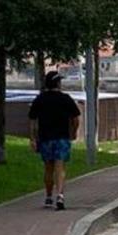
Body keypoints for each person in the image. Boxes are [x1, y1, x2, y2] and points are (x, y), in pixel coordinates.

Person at [28, 70, 81, 211]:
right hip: (62, 138)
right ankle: (60, 195)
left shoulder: (40, 99)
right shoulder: (65, 99)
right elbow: (76, 119)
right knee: (60, 166)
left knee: (48, 168)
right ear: (58, 83)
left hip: (45, 138)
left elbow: (33, 121)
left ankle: (48, 196)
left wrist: (33, 138)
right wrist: (74, 132)